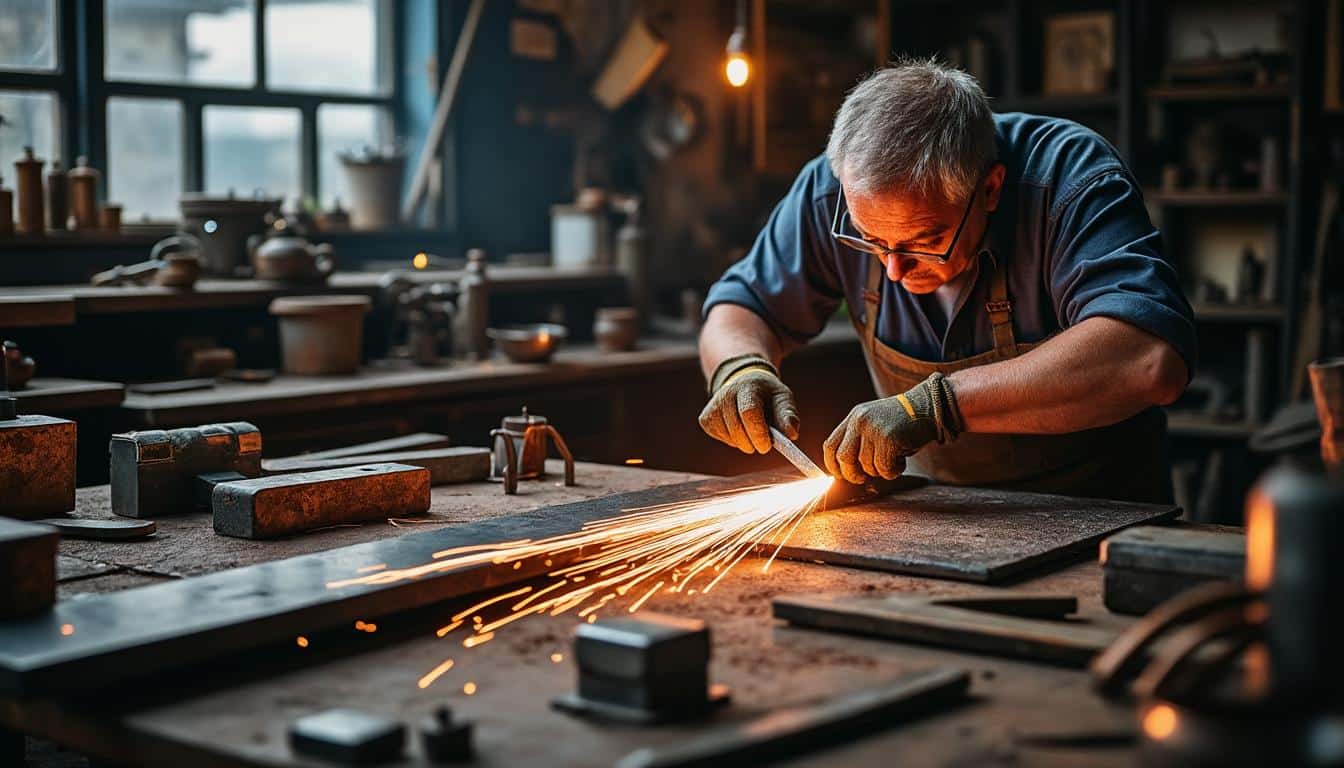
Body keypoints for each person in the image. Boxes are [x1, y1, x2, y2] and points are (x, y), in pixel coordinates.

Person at [697, 59, 1195, 503]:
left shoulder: (1068, 180)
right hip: (937, 515)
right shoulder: (833, 191)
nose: (893, 268)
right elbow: (743, 305)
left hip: (1095, 513)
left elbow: (1148, 359)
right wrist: (740, 369)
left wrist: (935, 407)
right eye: (871, 240)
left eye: (922, 240)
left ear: (991, 189)